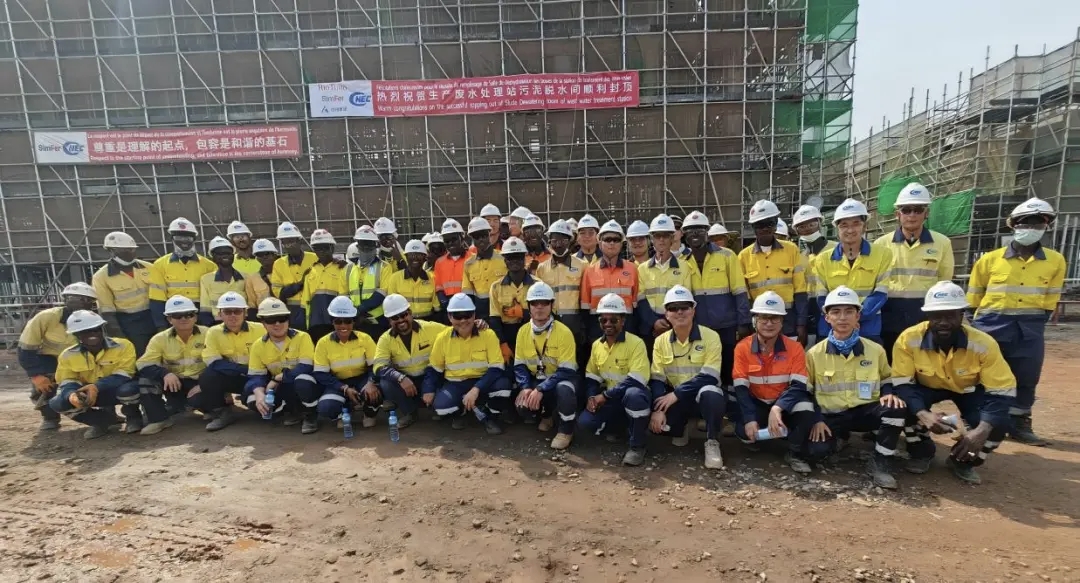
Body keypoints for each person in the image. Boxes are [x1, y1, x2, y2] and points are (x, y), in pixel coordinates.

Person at [893, 282, 1017, 485]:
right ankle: (921, 452)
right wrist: (923, 414)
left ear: (962, 315)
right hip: (926, 387)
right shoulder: (908, 339)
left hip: (968, 389)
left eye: (950, 316)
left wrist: (982, 430)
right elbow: (902, 383)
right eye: (937, 316)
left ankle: (962, 460)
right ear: (928, 316)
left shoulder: (984, 344)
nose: (943, 322)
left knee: (998, 424)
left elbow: (1001, 392)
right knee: (903, 408)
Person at [967, 198, 1065, 446]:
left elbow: (1051, 298)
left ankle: (1019, 423)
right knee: (983, 375)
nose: (1031, 227)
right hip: (991, 325)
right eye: (1025, 222)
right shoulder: (990, 260)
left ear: (1046, 226)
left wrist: (1035, 323)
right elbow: (974, 297)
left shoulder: (1055, 261)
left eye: (1037, 223)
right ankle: (979, 420)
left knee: (1026, 376)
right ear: (1013, 225)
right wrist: (974, 327)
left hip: (1030, 327)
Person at [805, 286, 905, 489]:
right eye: (836, 312)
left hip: (864, 412)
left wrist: (888, 393)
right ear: (827, 318)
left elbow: (886, 378)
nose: (842, 318)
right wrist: (817, 419)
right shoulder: (814, 354)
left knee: (896, 408)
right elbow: (807, 392)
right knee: (815, 452)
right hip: (832, 415)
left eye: (849, 311)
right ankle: (840, 437)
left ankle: (881, 463)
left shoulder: (875, 350)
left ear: (858, 316)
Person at [732, 291, 817, 474]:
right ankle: (766, 437)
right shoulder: (742, 348)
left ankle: (794, 452)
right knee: (743, 432)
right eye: (764, 318)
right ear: (754, 320)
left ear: (782, 322)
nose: (769, 323)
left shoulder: (795, 348)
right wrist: (749, 419)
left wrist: (778, 408)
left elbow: (798, 387)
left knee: (806, 408)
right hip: (758, 403)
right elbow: (741, 388)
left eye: (774, 318)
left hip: (784, 406)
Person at [647, 286, 727, 469]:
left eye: (685, 307)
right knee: (662, 430)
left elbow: (710, 376)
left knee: (711, 393)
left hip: (699, 397)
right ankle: (682, 427)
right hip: (678, 400)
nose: (680, 312)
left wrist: (676, 394)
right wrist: (658, 410)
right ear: (666, 314)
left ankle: (712, 441)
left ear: (693, 310)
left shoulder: (711, 337)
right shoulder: (660, 341)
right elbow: (657, 378)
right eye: (673, 308)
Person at [873, 183, 955, 359]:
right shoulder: (881, 244)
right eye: (906, 210)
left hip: (925, 314)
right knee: (891, 360)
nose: (912, 215)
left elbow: (944, 281)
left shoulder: (942, 243)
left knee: (925, 361)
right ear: (898, 214)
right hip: (890, 315)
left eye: (918, 210)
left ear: (927, 213)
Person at [576, 294, 651, 466]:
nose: (608, 324)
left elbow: (637, 379)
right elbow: (592, 376)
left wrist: (605, 396)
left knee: (634, 395)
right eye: (604, 320)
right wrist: (591, 397)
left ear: (623, 321)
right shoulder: (597, 345)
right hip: (611, 399)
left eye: (613, 320)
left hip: (630, 396)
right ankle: (620, 430)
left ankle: (637, 446)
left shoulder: (636, 343)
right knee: (585, 422)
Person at [424, 293, 510, 434]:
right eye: (457, 316)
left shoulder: (488, 335)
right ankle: (461, 413)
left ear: (474, 315)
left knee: (503, 387)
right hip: (456, 384)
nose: (463, 320)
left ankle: (490, 417)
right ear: (450, 317)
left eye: (467, 315)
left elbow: (496, 368)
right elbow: (434, 368)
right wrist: (428, 389)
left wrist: (476, 389)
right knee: (441, 407)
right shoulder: (442, 338)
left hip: (483, 382)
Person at [683, 210, 751, 388]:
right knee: (704, 366)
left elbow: (740, 291)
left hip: (726, 325)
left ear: (707, 232)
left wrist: (743, 323)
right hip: (698, 326)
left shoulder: (727, 256)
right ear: (684, 235)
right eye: (690, 230)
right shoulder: (682, 261)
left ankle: (729, 399)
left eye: (700, 229)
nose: (695, 234)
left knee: (728, 365)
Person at [48, 310, 142, 440]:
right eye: (85, 332)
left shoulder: (123, 345)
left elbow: (125, 374)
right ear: (76, 335)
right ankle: (102, 422)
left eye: (95, 329)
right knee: (57, 403)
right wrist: (71, 395)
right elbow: (67, 380)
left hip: (117, 389)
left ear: (102, 329)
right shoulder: (67, 355)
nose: (92, 334)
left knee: (129, 390)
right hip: (90, 395)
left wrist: (96, 387)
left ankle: (133, 417)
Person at [19, 282, 99, 431]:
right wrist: (36, 375)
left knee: (90, 385)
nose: (76, 302)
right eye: (71, 297)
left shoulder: (94, 320)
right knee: (44, 387)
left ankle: (101, 415)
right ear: (65, 299)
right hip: (50, 359)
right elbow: (25, 349)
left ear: (91, 303)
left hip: (78, 360)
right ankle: (50, 417)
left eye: (83, 299)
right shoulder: (46, 317)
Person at [813, 198, 893, 344]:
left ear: (865, 226)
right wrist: (840, 320)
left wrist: (855, 318)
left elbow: (881, 293)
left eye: (856, 224)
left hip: (868, 327)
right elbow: (821, 297)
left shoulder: (883, 254)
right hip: (831, 328)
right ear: (837, 228)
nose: (850, 230)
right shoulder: (823, 259)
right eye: (844, 225)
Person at [513, 281, 578, 449]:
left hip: (561, 380)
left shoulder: (564, 332)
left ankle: (566, 430)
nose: (539, 307)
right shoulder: (523, 331)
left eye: (544, 303)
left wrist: (540, 389)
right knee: (522, 405)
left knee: (564, 389)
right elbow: (519, 366)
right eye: (535, 303)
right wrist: (526, 387)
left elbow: (567, 370)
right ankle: (547, 416)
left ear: (552, 305)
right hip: (539, 381)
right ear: (529, 306)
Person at [373, 294, 449, 429]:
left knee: (443, 399)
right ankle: (410, 413)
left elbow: (456, 330)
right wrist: (400, 378)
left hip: (430, 378)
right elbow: (379, 366)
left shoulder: (430, 328)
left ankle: (437, 407)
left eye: (403, 315)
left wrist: (477, 325)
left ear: (410, 313)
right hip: (406, 382)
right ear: (389, 320)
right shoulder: (385, 339)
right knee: (386, 383)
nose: (400, 320)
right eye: (395, 318)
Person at [738, 200, 808, 345]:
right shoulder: (744, 257)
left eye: (769, 223)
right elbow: (744, 296)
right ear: (753, 228)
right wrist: (746, 323)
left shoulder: (791, 250)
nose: (765, 229)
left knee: (788, 357)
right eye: (760, 225)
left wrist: (801, 324)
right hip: (760, 323)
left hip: (788, 321)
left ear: (776, 224)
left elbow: (800, 290)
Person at [245, 298, 319, 433]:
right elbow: (255, 376)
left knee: (303, 380)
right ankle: (290, 411)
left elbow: (306, 367)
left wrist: (278, 378)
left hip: (300, 384)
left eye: (282, 319)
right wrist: (259, 394)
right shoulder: (258, 345)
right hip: (281, 388)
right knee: (251, 398)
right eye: (271, 320)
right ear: (263, 323)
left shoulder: (302, 337)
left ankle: (310, 415)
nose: (277, 324)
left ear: (288, 320)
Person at [136, 295, 207, 434]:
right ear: (169, 319)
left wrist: (205, 383)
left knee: (202, 400)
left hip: (200, 383)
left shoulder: (209, 334)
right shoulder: (159, 339)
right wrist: (165, 373)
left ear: (195, 317)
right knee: (146, 381)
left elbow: (218, 363)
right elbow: (143, 364)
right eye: (177, 316)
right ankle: (159, 420)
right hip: (174, 384)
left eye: (189, 314)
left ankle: (210, 409)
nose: (184, 319)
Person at [198, 292, 266, 431]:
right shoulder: (213, 332)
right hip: (236, 377)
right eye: (228, 312)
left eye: (237, 311)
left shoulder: (260, 329)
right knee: (208, 376)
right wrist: (244, 370)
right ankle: (221, 413)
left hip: (260, 377)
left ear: (245, 313)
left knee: (260, 409)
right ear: (220, 314)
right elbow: (213, 362)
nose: (233, 315)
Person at [313, 296, 380, 432]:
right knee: (326, 407)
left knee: (376, 392)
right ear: (332, 322)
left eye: (348, 321)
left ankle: (369, 413)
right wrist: (343, 388)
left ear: (353, 322)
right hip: (338, 382)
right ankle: (345, 411)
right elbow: (320, 374)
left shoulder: (365, 339)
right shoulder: (323, 343)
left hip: (362, 379)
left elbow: (376, 366)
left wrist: (371, 382)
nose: (343, 326)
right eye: (338, 321)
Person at [635, 214, 698, 349]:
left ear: (672, 238)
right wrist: (654, 322)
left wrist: (669, 322)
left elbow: (685, 301)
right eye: (657, 236)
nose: (661, 240)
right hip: (649, 329)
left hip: (675, 327)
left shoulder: (684, 267)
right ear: (652, 239)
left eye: (666, 236)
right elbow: (641, 301)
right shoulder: (642, 269)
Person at [535, 219, 588, 376]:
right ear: (549, 241)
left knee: (577, 362)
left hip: (575, 324)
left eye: (563, 240)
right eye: (554, 240)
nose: (558, 244)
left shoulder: (582, 266)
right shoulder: (542, 269)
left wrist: (583, 326)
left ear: (569, 241)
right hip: (551, 323)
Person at [92, 231, 156, 356]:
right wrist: (119, 337)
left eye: (133, 249)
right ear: (112, 251)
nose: (131, 252)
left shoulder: (149, 267)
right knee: (139, 356)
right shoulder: (101, 277)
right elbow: (107, 312)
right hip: (129, 324)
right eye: (126, 250)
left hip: (153, 317)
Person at [148, 217, 216, 332]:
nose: (184, 241)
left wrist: (209, 322)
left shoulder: (209, 266)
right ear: (172, 239)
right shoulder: (159, 265)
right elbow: (157, 299)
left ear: (194, 239)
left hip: (200, 315)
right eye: (179, 237)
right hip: (174, 315)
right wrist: (161, 326)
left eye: (188, 237)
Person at [580, 220, 639, 344]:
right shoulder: (590, 271)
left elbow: (635, 305)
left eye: (616, 239)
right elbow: (585, 308)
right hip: (598, 330)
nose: (612, 243)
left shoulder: (632, 269)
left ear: (621, 243)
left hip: (626, 328)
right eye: (607, 239)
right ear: (600, 243)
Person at [790, 204, 834, 344]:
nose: (808, 229)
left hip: (832, 303)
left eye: (811, 224)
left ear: (820, 223)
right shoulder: (800, 256)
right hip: (809, 306)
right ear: (797, 231)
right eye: (802, 227)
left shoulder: (836, 249)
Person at [488, 237, 533, 372]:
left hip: (532, 333)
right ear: (505, 261)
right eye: (510, 258)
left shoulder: (537, 285)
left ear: (524, 258)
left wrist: (524, 313)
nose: (514, 261)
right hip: (507, 334)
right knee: (509, 374)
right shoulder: (496, 287)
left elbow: (548, 314)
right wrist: (502, 343)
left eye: (518, 257)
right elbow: (494, 319)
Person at [198, 236, 261, 326]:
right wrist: (213, 328)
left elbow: (251, 305)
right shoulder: (206, 279)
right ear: (213, 257)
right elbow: (205, 310)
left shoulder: (246, 277)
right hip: (218, 324)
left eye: (228, 253)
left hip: (243, 323)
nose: (225, 256)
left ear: (233, 255)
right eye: (220, 254)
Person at [344, 226, 393, 339]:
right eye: (363, 244)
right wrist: (355, 315)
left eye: (369, 244)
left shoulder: (384, 267)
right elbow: (344, 295)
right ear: (357, 246)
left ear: (375, 246)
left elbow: (382, 293)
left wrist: (359, 310)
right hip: (355, 321)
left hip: (378, 321)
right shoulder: (347, 269)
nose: (366, 247)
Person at [270, 221, 317, 330]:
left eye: (291, 241)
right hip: (293, 311)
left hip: (315, 308)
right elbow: (279, 292)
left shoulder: (314, 258)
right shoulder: (279, 264)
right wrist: (300, 284)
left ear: (299, 241)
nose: (289, 246)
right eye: (285, 242)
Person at [301, 229, 346, 342]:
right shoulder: (309, 272)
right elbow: (305, 303)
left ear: (332, 248)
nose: (322, 251)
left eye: (325, 247)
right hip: (316, 323)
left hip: (336, 321)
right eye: (317, 248)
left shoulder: (343, 269)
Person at [461, 217, 507, 320]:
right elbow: (468, 294)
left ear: (489, 234)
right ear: (472, 239)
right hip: (482, 316)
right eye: (477, 237)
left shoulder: (504, 258)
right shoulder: (468, 264)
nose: (481, 239)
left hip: (503, 313)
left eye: (484, 235)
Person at [384, 239, 439, 320]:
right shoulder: (395, 278)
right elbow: (392, 306)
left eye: (419, 255)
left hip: (428, 322)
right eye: (411, 255)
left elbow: (437, 307)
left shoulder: (432, 278)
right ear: (406, 257)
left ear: (425, 258)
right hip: (405, 322)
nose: (415, 258)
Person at [434, 218, 469, 317]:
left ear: (462, 238)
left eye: (454, 239)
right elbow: (438, 285)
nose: (450, 244)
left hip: (468, 304)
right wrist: (443, 300)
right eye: (447, 241)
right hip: (448, 306)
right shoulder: (439, 262)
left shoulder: (472, 259)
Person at [251, 238, 279, 311]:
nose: (264, 257)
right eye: (260, 254)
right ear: (257, 258)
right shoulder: (252, 279)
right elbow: (252, 304)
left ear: (274, 254)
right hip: (263, 315)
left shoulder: (285, 273)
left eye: (267, 253)